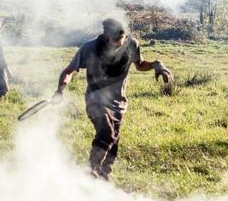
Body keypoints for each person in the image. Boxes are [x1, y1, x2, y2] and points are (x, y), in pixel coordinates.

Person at [52, 18, 173, 180]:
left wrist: (156, 64)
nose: (118, 44)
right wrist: (60, 90)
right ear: (105, 37)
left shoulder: (132, 44)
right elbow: (68, 71)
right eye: (114, 41)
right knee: (106, 134)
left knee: (113, 143)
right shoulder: (90, 48)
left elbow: (140, 64)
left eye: (120, 40)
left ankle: (103, 179)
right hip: (95, 100)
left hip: (119, 103)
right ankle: (90, 172)